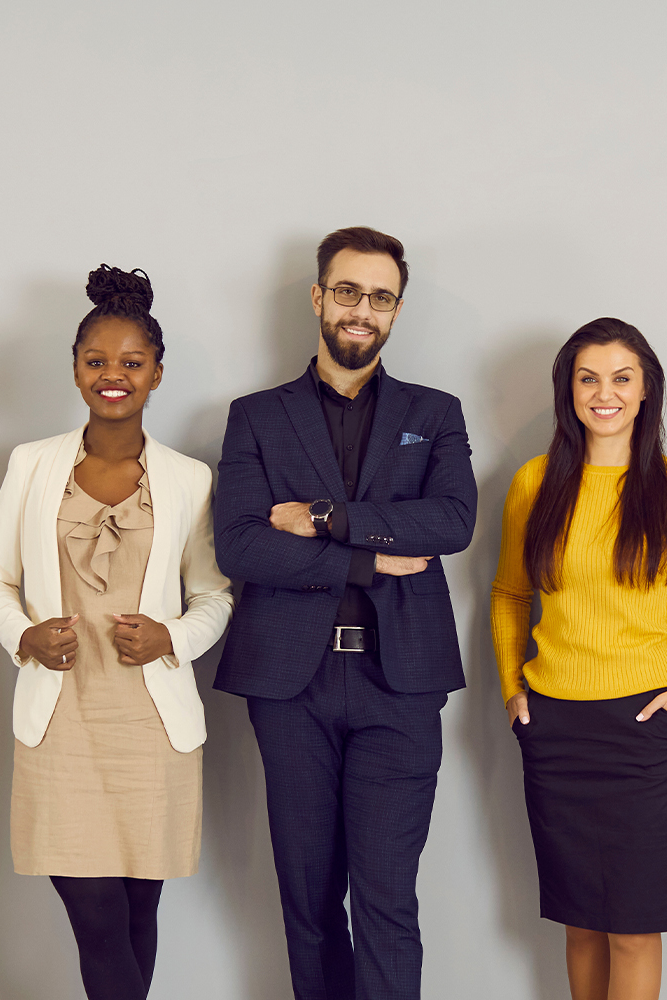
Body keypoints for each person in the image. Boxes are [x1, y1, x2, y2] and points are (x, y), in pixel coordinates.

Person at [212, 226, 476, 1000]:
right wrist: (366, 556)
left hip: (402, 684)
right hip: (290, 684)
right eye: (350, 292)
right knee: (310, 901)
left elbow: (452, 521)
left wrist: (325, 517)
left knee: (389, 899)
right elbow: (241, 545)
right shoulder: (256, 416)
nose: (364, 310)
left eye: (381, 297)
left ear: (397, 310)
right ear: (320, 297)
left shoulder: (436, 412)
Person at [0, 266, 233, 1000]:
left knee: (137, 909)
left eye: (130, 363)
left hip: (153, 725)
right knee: (95, 915)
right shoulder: (33, 465)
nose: (112, 376)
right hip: (61, 722)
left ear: (155, 374)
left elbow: (216, 595)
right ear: (76, 369)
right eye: (97, 362)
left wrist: (172, 639)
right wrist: (23, 636)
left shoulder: (189, 479)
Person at [491, 318, 667, 1000]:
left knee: (632, 928)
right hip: (556, 732)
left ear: (646, 389)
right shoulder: (534, 483)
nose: (606, 393)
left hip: (648, 732)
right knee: (580, 926)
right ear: (568, 390)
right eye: (588, 378)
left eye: (622, 378)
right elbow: (509, 594)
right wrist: (515, 691)